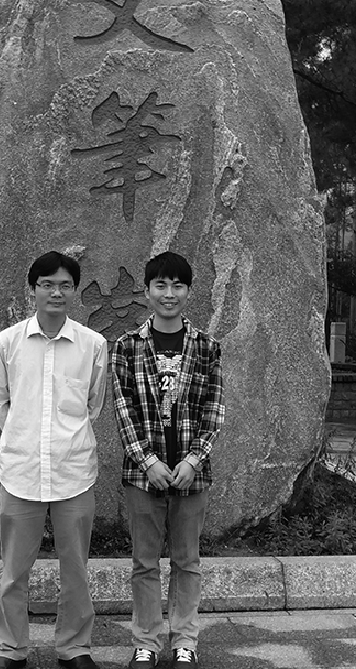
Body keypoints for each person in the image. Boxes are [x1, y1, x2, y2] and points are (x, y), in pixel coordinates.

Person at [0, 251, 109, 669]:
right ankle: (10, 649)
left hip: (74, 471)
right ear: (33, 289)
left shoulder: (92, 344)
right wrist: (24, 439)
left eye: (65, 285)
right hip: (21, 471)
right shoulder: (6, 342)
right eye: (47, 284)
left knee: (75, 569)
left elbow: (93, 404)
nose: (56, 292)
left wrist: (63, 440)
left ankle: (74, 648)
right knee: (13, 572)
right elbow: (0, 402)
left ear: (74, 291)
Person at [111, 251, 224, 669]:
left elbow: (214, 408)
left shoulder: (207, 347)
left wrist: (193, 460)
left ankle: (185, 641)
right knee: (144, 562)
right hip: (143, 475)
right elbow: (122, 410)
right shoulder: (127, 347)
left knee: (186, 561)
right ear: (147, 292)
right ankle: (146, 641)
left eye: (177, 285)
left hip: (193, 473)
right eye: (160, 285)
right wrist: (147, 461)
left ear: (189, 291)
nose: (169, 293)